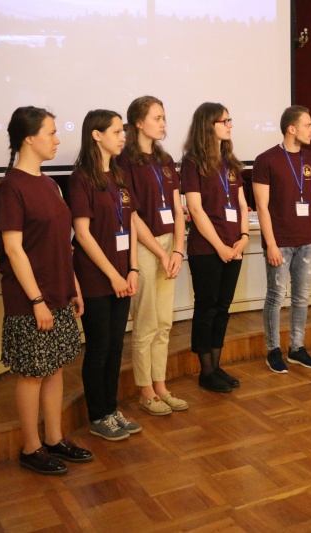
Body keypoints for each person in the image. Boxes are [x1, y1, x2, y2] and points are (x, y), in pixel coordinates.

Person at [0, 106, 93, 475]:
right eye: (51, 132)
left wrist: (74, 286)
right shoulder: (11, 187)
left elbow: (62, 243)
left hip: (58, 291)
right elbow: (14, 249)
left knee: (55, 368)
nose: (57, 139)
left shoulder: (49, 184)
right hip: (30, 299)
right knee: (32, 372)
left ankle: (54, 438)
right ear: (28, 138)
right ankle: (31, 447)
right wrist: (36, 300)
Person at [68, 109, 143, 441]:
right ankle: (98, 415)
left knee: (115, 347)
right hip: (97, 278)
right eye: (116, 131)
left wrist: (133, 268)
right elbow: (83, 234)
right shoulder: (81, 178)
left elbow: (131, 224)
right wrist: (114, 275)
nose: (122, 137)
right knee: (99, 348)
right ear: (96, 135)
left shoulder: (120, 175)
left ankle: (111, 410)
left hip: (123, 275)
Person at [117, 96, 187, 415]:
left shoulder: (165, 159)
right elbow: (131, 216)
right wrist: (160, 252)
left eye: (163, 117)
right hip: (144, 247)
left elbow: (178, 208)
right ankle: (145, 389)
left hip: (169, 244)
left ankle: (161, 385)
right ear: (138, 122)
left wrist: (178, 249)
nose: (163, 123)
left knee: (164, 322)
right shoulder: (124, 161)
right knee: (145, 322)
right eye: (156, 118)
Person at [181, 103, 249, 392]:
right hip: (208, 249)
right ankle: (205, 371)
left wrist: (244, 236)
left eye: (230, 120)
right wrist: (220, 246)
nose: (230, 125)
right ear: (208, 125)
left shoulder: (230, 162)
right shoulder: (192, 162)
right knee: (206, 308)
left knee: (223, 308)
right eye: (224, 121)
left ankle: (217, 366)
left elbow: (243, 204)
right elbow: (195, 210)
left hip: (234, 247)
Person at [252, 105, 311, 373]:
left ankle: (297, 347)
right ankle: (273, 350)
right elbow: (262, 207)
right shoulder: (266, 160)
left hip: (307, 240)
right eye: (308, 125)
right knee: (276, 296)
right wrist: (271, 244)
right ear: (291, 129)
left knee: (302, 297)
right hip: (280, 242)